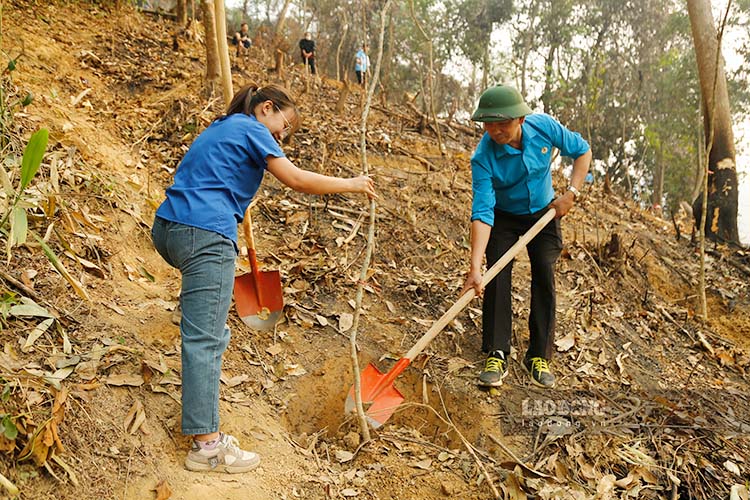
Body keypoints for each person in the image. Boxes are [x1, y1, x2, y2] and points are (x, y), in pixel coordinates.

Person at [151, 84, 376, 473]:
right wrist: (352, 184)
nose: (281, 136)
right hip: (207, 235)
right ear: (266, 108)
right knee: (207, 338)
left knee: (206, 329)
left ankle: (191, 318)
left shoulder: (222, 126)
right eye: (283, 125)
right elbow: (297, 179)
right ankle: (207, 446)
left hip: (169, 229)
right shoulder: (254, 129)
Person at [462, 85, 591, 389]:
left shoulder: (543, 127)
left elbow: (582, 151)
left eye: (502, 123)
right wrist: (476, 268)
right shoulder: (483, 157)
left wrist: (571, 193)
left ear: (520, 119)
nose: (494, 131)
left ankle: (538, 355)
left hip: (543, 213)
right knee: (496, 275)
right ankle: (497, 351)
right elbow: (482, 211)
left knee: (544, 274)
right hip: (504, 217)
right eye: (488, 124)